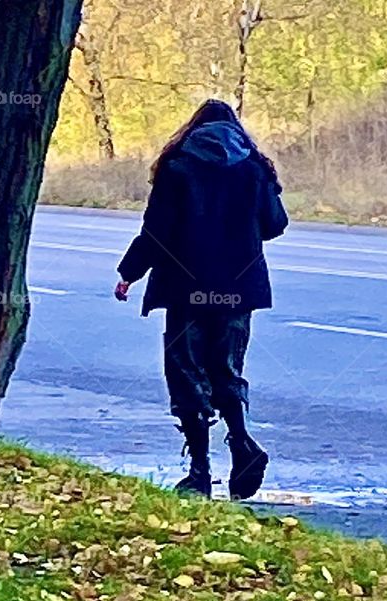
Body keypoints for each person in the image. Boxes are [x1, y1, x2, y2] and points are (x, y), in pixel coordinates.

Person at [114, 99, 288, 500]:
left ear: (193, 129)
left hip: (185, 289)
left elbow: (156, 234)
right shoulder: (253, 168)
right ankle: (242, 443)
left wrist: (129, 273)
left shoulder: (177, 168)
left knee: (187, 373)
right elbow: (275, 225)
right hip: (237, 290)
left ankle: (199, 473)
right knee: (226, 369)